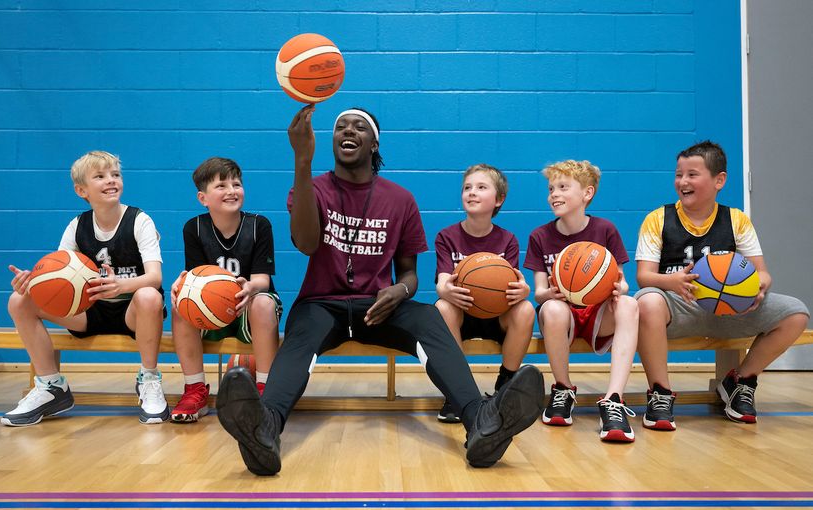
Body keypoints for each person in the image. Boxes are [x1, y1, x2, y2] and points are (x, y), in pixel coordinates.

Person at [215, 105, 545, 476]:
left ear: (374, 144)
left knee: (428, 317)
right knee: (300, 334)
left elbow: (409, 274)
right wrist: (302, 160)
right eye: (340, 127)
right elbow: (306, 243)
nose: (347, 131)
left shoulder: (400, 199)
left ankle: (481, 423)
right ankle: (265, 428)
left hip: (379, 305)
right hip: (322, 304)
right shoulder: (311, 188)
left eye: (358, 127)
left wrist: (400, 293)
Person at [635, 140, 809, 429]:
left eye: (692, 174)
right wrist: (673, 280)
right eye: (679, 174)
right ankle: (660, 393)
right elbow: (645, 276)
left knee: (796, 313)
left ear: (719, 180)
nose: (683, 181)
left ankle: (740, 382)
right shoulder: (658, 218)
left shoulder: (736, 220)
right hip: (679, 307)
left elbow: (762, 273)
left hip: (730, 309)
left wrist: (758, 288)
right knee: (646, 300)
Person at [3, 150, 169, 426]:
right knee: (19, 300)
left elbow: (155, 277)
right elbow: (57, 274)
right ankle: (51, 386)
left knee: (150, 295)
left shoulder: (140, 221)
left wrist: (120, 285)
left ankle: (149, 379)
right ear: (82, 190)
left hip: (134, 313)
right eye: (100, 176)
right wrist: (32, 281)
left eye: (115, 175)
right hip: (90, 310)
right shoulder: (76, 226)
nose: (111, 180)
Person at [524, 160, 639, 442]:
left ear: (587, 193)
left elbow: (621, 281)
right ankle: (563, 389)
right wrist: (549, 294)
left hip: (598, 313)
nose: (554, 194)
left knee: (629, 304)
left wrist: (618, 289)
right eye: (551, 188)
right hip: (563, 315)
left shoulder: (605, 230)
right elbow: (538, 291)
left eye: (563, 187)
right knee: (550, 308)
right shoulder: (540, 236)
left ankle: (614, 400)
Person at [170, 157, 281, 423]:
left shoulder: (259, 225)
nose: (232, 190)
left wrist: (248, 286)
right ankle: (195, 389)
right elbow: (196, 280)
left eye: (237, 184)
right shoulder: (194, 228)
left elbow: (263, 280)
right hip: (213, 311)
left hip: (250, 307)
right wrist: (181, 284)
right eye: (221, 185)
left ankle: (266, 390)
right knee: (179, 305)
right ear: (203, 198)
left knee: (263, 302)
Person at [433, 163, 535, 423]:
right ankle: (458, 392)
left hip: (495, 315)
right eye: (467, 187)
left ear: (498, 199)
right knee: (442, 307)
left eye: (481, 187)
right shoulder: (447, 236)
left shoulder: (508, 240)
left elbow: (514, 283)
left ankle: (504, 388)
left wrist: (523, 290)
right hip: (463, 314)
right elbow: (442, 282)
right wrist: (446, 289)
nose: (472, 192)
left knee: (525, 308)